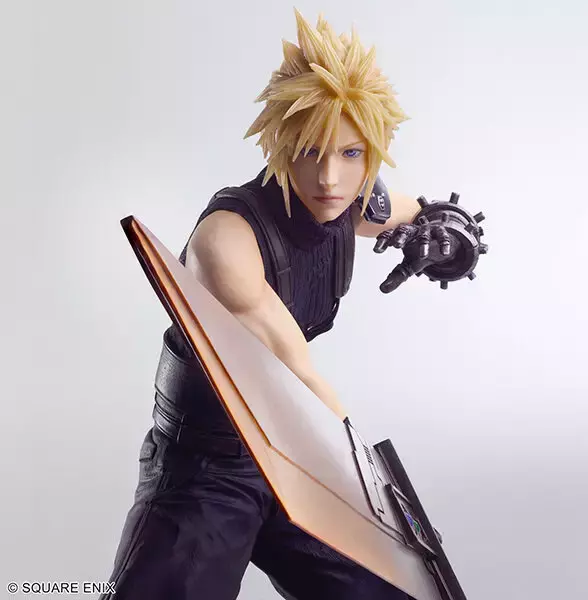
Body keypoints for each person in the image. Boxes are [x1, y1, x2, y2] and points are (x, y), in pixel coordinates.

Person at [101, 9, 428, 600]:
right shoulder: (227, 241)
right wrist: (373, 491)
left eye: (351, 154)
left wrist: (448, 233)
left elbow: (420, 213)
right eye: (309, 151)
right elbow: (297, 374)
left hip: (288, 455)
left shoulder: (353, 199)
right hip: (207, 469)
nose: (328, 178)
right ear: (281, 145)